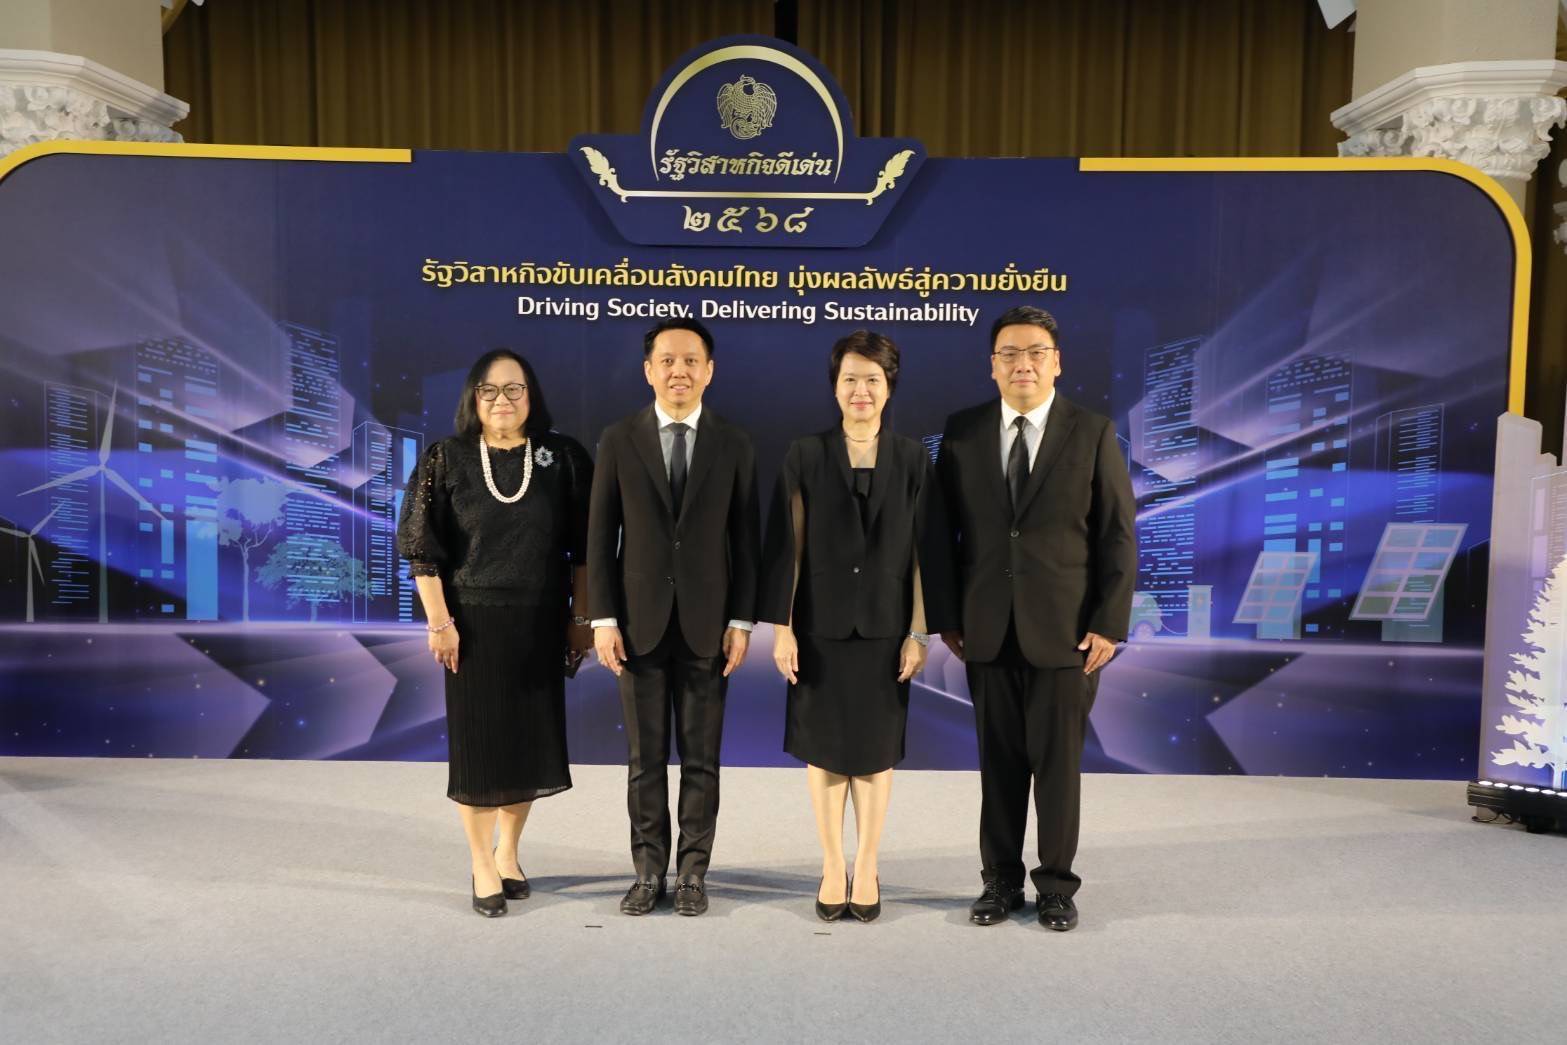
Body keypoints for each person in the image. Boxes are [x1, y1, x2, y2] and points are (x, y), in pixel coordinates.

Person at [926, 305, 1136, 931]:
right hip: (985, 630)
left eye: (1036, 352)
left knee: (1059, 769)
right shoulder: (962, 432)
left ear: (1056, 362)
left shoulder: (1092, 431)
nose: (1023, 363)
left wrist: (1109, 623)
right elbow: (940, 535)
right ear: (992, 365)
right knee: (999, 767)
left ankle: (1056, 886)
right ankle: (999, 882)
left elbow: (1117, 535)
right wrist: (947, 617)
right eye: (1010, 353)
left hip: (1068, 634)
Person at [395, 349, 593, 918]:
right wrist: (440, 623)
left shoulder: (563, 458)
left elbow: (586, 551)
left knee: (528, 744)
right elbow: (423, 551)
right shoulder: (446, 458)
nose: (502, 400)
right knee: (480, 748)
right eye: (489, 390)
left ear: (532, 395)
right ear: (473, 397)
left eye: (514, 389)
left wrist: (580, 619)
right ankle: (481, 861)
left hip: (541, 621)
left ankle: (509, 852)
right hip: (471, 626)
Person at [586, 317, 760, 917]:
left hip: (709, 625)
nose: (678, 371)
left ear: (709, 371)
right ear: (648, 370)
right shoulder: (618, 438)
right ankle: (647, 872)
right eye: (667, 360)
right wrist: (602, 618)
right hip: (637, 625)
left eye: (691, 361)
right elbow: (599, 536)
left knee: (702, 760)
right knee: (645, 760)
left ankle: (692, 874)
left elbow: (746, 540)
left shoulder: (734, 442)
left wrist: (742, 621)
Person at [759, 330, 933, 924]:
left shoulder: (912, 458)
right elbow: (788, 549)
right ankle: (833, 864)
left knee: (876, 754)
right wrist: (783, 628)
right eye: (850, 379)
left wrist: (918, 631)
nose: (861, 390)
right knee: (826, 752)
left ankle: (868, 862)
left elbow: (924, 553)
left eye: (872, 379)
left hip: (887, 630)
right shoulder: (805, 454)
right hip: (819, 629)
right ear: (835, 387)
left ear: (889, 388)